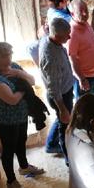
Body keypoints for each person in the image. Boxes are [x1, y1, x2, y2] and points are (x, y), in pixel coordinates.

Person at [0, 42, 44, 188]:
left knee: (21, 142)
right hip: (6, 121)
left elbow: (32, 81)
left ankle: (24, 167)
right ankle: (11, 181)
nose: (8, 59)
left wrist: (20, 74)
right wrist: (25, 89)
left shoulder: (14, 67)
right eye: (4, 56)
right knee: (9, 150)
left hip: (21, 115)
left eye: (9, 55)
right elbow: (12, 99)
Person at [39, 18, 74, 161]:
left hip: (64, 91)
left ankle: (51, 144)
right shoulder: (51, 56)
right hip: (60, 96)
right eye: (67, 34)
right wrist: (62, 108)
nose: (70, 37)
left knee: (61, 120)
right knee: (64, 127)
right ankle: (69, 159)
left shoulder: (51, 41)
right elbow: (53, 87)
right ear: (57, 35)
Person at [68, 0, 94, 99]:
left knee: (93, 103)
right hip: (85, 78)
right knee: (83, 109)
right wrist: (82, 79)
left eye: (86, 10)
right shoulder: (72, 31)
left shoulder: (85, 23)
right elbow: (72, 58)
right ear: (73, 14)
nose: (84, 14)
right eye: (80, 11)